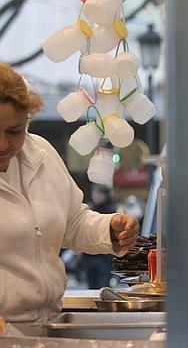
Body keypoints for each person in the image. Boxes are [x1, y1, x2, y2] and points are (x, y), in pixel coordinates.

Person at [0, 63, 139, 335]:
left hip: (45, 324)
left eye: (14, 131)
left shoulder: (41, 153)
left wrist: (109, 228)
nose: (3, 144)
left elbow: (72, 221)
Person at [81, 184, 117, 289]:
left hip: (104, 258)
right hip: (89, 257)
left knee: (103, 288)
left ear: (105, 195)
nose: (96, 196)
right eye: (94, 193)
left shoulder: (111, 212)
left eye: (99, 193)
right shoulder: (89, 210)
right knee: (91, 289)